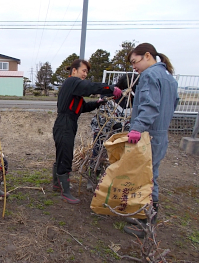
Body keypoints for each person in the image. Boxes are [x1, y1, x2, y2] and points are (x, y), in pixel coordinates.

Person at [123, 43, 179, 238]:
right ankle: (145, 215)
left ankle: (146, 223)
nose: (134, 67)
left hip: (149, 135)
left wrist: (137, 128)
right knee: (151, 175)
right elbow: (172, 105)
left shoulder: (149, 75)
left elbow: (149, 106)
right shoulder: (169, 79)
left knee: (146, 177)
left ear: (147, 55)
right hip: (161, 134)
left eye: (134, 62)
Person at [52, 59, 122, 204]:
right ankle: (65, 191)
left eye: (86, 72)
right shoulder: (72, 82)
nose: (85, 74)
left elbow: (82, 107)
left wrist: (97, 104)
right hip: (64, 123)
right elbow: (90, 87)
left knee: (62, 152)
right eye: (83, 71)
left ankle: (57, 184)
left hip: (68, 123)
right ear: (74, 71)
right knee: (65, 155)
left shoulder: (73, 88)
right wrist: (110, 88)